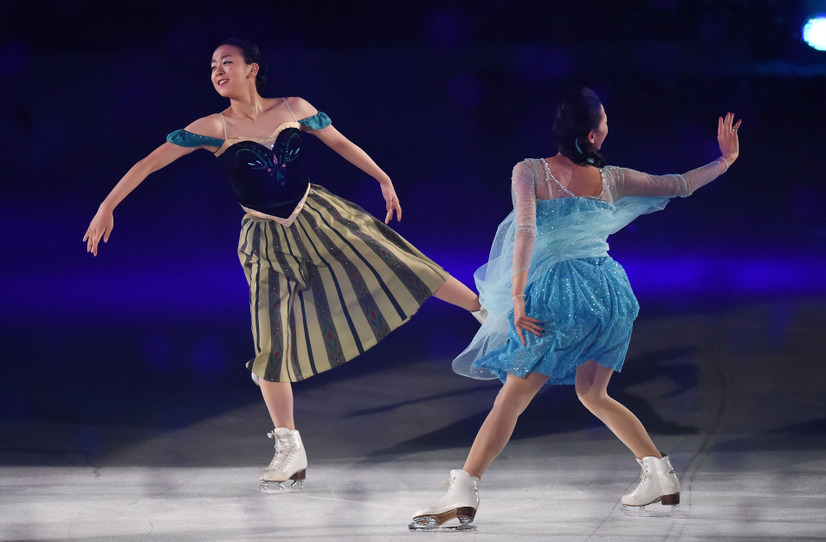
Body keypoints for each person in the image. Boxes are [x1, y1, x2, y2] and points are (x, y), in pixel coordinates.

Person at [83, 38, 485, 493]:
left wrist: (382, 177)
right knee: (271, 339)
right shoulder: (214, 126)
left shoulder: (294, 107)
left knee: (398, 259)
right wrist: (107, 206)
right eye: (212, 65)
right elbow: (148, 163)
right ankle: (290, 447)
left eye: (226, 63)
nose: (216, 71)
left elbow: (340, 142)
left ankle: (483, 312)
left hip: (320, 216)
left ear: (251, 69)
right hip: (266, 240)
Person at [409, 87, 741, 530]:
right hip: (611, 294)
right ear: (593, 134)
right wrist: (725, 161)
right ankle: (659, 473)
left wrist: (518, 296)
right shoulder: (614, 178)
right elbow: (678, 185)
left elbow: (525, 231)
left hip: (561, 295)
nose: (608, 126)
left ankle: (463, 490)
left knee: (511, 398)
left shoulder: (529, 171)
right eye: (604, 121)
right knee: (592, 393)